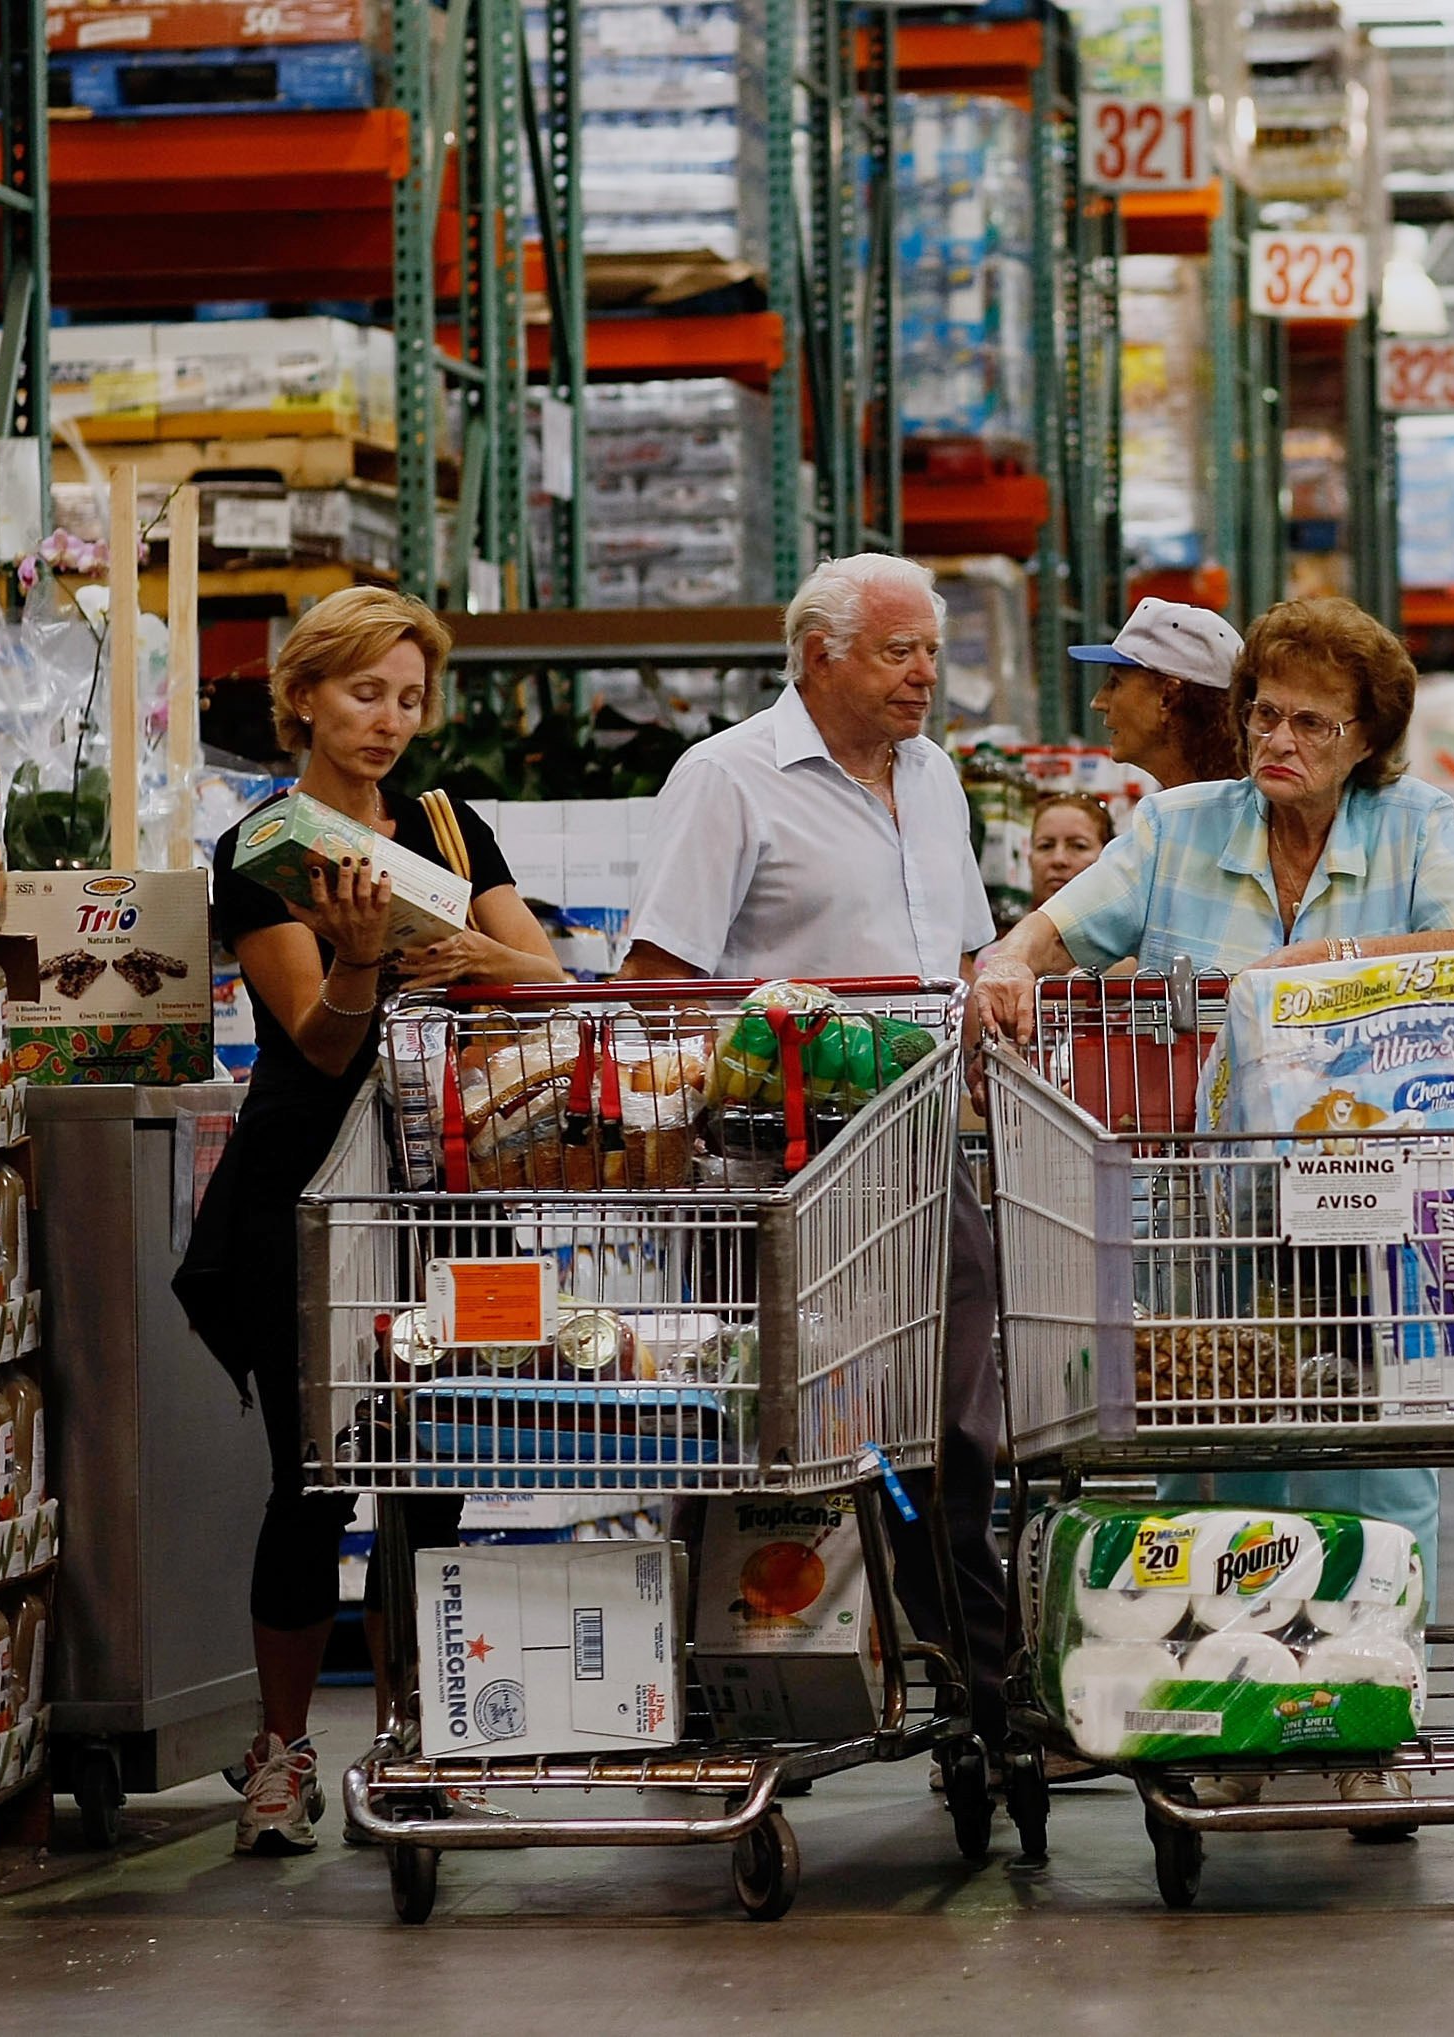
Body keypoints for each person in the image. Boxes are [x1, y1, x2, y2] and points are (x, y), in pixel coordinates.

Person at [976, 597, 1454, 1798]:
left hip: (1368, 1210)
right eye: (1266, 712)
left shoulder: (1412, 825)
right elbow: (1057, 933)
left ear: (1367, 737)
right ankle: (1224, 1720)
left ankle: (1367, 1728)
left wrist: (1307, 968)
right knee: (1216, 1459)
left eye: (1314, 722)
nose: (1281, 742)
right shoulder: (1174, 827)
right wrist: (1006, 964)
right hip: (1208, 1214)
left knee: (1371, 1466)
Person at [173, 587, 568, 1856]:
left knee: (436, 1480)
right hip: (312, 1195)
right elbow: (320, 1039)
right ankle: (282, 1756)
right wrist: (361, 965)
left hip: (449, 1191)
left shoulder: (452, 832)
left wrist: (468, 954)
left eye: (408, 697)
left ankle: (422, 1743)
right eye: (363, 693)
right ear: (301, 698)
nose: (390, 720)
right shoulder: (265, 851)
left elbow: (547, 975)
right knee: (316, 1482)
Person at [618, 552, 1015, 1810]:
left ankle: (969, 1675)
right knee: (759, 1437)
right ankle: (728, 1700)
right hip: (771, 1179)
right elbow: (653, 982)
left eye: (933, 654)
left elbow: (959, 954)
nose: (923, 676)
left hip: (920, 1160)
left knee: (950, 1428)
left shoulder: (938, 779)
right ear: (817, 655)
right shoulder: (728, 779)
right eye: (898, 652)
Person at [1074, 595, 1246, 789]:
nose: (1098, 702)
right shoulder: (1186, 809)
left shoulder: (1224, 814)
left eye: (1115, 683)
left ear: (1168, 697)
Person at [1028, 792, 1115, 912]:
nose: (1058, 859)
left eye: (1079, 846)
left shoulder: (1139, 929)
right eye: (1045, 846)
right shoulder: (1005, 930)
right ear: (1029, 861)